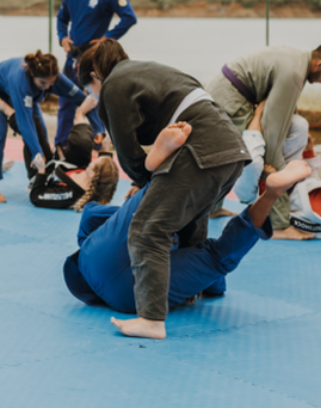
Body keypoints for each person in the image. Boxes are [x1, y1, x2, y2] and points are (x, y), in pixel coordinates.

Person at [80, 39, 250, 339]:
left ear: (95, 76)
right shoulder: (155, 71)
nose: (92, 95)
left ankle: (151, 319)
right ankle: (201, 286)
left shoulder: (113, 85)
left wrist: (147, 179)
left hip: (200, 151)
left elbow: (128, 156)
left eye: (89, 88)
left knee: (147, 229)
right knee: (189, 216)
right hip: (232, 151)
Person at [65, 130, 314, 320]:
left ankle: (268, 194)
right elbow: (88, 216)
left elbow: (216, 280)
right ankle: (156, 171)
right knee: (154, 198)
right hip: (114, 271)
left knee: (213, 256)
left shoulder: (90, 260)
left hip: (111, 277)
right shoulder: (90, 242)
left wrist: (203, 283)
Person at [205, 43, 321, 229]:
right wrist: (277, 179)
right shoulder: (294, 73)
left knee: (297, 127)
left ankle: (213, 208)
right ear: (319, 65)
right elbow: (272, 140)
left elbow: (285, 109)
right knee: (240, 155)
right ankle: (277, 223)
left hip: (230, 92)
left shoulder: (299, 60)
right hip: (229, 98)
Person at [231, 108, 321, 239]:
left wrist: (268, 181)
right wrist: (309, 153)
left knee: (253, 163)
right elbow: (311, 181)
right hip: (285, 173)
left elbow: (273, 217)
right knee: (301, 125)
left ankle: (255, 116)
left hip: (257, 192)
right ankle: (262, 110)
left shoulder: (319, 227)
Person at [0, 51, 95, 203]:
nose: (47, 88)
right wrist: (36, 153)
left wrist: (98, 129)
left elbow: (83, 99)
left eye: (51, 83)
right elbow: (25, 125)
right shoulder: (20, 81)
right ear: (32, 74)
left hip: (13, 92)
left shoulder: (51, 77)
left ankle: (37, 178)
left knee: (39, 132)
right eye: (43, 83)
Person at [54, 0, 134, 150]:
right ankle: (62, 145)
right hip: (72, 57)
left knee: (96, 100)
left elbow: (128, 17)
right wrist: (63, 37)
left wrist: (107, 37)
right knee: (66, 100)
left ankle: (100, 144)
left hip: (94, 59)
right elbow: (61, 18)